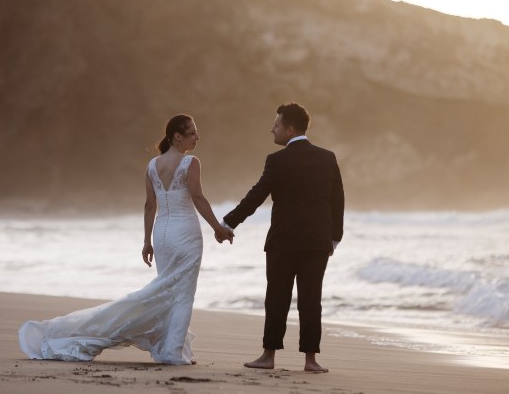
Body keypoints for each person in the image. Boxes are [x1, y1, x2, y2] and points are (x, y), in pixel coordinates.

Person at [19, 114, 234, 365]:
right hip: (185, 234)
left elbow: (149, 206)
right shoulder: (191, 163)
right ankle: (172, 352)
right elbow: (197, 197)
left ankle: (173, 348)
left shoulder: (152, 165)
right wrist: (218, 228)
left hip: (162, 235)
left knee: (167, 291)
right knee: (182, 294)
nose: (198, 137)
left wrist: (147, 241)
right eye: (192, 133)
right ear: (177, 136)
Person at [220, 103, 344, 372]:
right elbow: (337, 201)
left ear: (289, 129)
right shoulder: (327, 157)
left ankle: (268, 356)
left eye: (276, 125)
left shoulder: (277, 160)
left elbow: (257, 195)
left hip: (283, 242)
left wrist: (229, 222)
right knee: (311, 300)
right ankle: (311, 360)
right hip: (317, 242)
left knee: (277, 298)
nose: (272, 129)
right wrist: (334, 238)